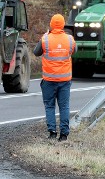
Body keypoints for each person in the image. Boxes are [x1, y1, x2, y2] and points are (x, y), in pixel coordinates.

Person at [33, 13, 76, 142]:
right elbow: (74, 50)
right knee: (64, 107)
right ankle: (64, 135)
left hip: (49, 80)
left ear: (51, 24)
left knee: (50, 106)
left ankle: (52, 132)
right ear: (63, 24)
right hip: (64, 81)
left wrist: (47, 35)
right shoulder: (69, 39)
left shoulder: (45, 39)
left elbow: (36, 52)